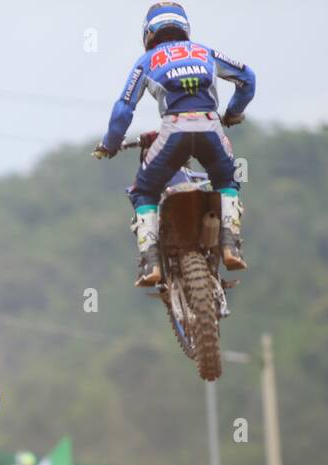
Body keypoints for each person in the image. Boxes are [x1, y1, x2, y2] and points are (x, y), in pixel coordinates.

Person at [92, 3, 256, 285]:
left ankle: (150, 263)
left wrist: (110, 144)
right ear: (184, 28)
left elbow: (123, 110)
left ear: (148, 34)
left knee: (143, 191)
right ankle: (231, 244)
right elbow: (247, 79)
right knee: (227, 180)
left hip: (174, 130)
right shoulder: (206, 52)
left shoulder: (147, 61)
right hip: (210, 128)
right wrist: (232, 113)